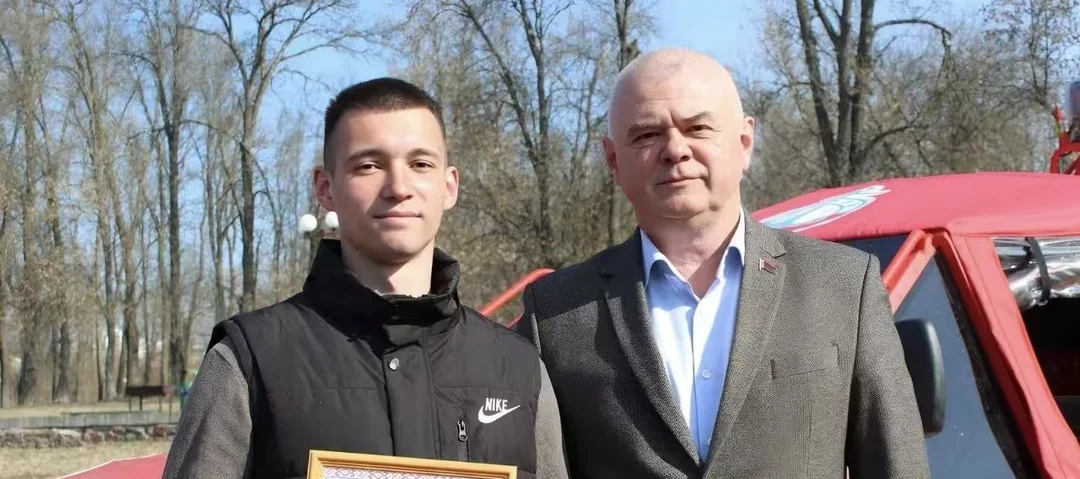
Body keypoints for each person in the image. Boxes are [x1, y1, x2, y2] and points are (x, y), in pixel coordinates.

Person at [515, 48, 929, 478]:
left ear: (744, 142)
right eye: (646, 135)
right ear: (613, 160)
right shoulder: (556, 313)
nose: (675, 150)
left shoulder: (844, 287)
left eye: (697, 128)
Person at [164, 78, 568, 479]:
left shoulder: (521, 371)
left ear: (449, 187)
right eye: (369, 166)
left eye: (420, 164)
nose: (398, 187)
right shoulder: (248, 360)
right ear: (326, 188)